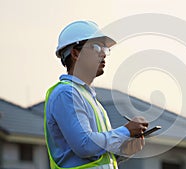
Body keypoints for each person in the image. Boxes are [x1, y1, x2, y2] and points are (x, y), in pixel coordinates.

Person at [44, 20, 148, 169]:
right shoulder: (65, 94)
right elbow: (84, 145)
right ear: (75, 53)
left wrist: (124, 150)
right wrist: (125, 131)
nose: (103, 54)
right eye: (96, 47)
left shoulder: (89, 99)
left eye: (104, 49)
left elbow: (96, 156)